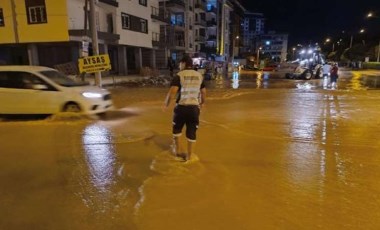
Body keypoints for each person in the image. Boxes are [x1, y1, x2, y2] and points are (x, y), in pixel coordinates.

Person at [163, 56, 206, 161]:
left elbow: (172, 92)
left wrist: (166, 104)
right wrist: (202, 102)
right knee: (192, 131)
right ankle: (190, 156)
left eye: (180, 64)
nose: (179, 66)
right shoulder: (199, 75)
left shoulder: (179, 75)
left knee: (177, 129)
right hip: (194, 109)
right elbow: (203, 92)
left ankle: (177, 152)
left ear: (183, 63)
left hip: (181, 108)